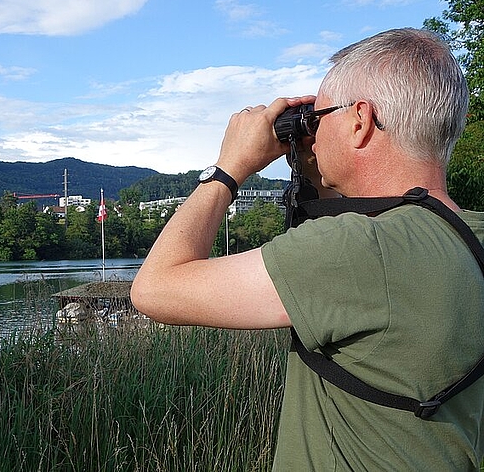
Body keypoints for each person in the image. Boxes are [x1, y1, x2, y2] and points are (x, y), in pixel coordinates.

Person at [130, 27, 484, 470]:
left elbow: (155, 289)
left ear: (360, 121)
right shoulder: (469, 235)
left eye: (319, 118)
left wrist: (228, 167)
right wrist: (315, 179)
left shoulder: (360, 252)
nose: (312, 135)